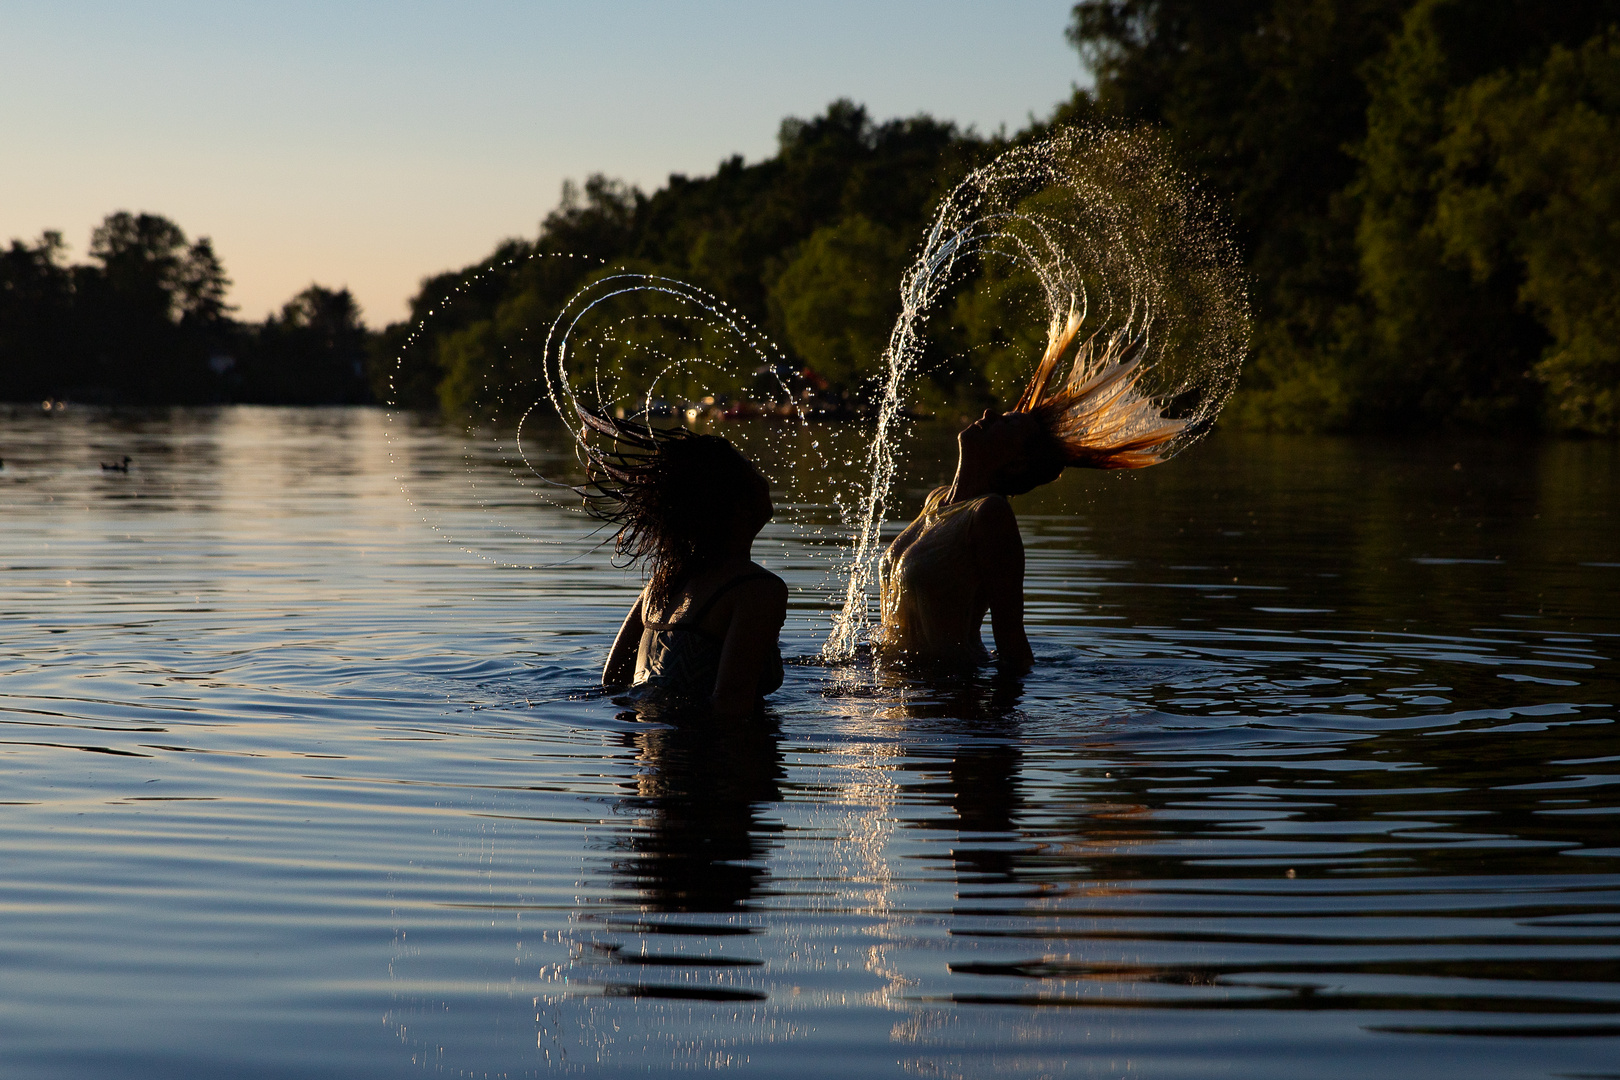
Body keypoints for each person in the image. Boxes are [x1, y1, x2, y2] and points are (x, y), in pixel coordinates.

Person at [876, 308, 1188, 672]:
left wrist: (1002, 725)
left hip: (950, 703)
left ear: (1017, 462)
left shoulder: (989, 516)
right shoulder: (937, 501)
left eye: (1007, 425)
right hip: (899, 699)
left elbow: (1012, 646)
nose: (990, 414)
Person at [584, 413, 787, 719]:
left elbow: (613, 683)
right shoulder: (756, 589)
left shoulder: (663, 583)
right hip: (707, 759)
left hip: (653, 758)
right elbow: (730, 705)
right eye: (752, 470)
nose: (765, 479)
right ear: (732, 501)